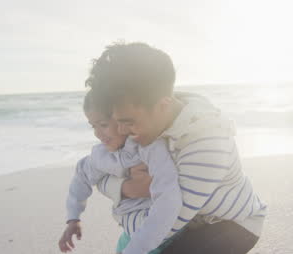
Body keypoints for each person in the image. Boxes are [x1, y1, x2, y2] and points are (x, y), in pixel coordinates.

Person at [87, 42, 267, 254]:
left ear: (163, 105)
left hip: (229, 224)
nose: (121, 131)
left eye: (127, 122)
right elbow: (97, 170)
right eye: (115, 120)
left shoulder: (207, 141)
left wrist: (122, 212)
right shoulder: (139, 112)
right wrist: (126, 188)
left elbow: (163, 225)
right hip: (187, 221)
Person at [58, 90, 183, 254]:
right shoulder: (101, 155)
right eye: (93, 126)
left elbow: (168, 196)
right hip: (130, 231)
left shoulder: (149, 146)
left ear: (122, 118)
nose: (97, 133)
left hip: (160, 230)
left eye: (103, 125)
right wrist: (73, 218)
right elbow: (81, 176)